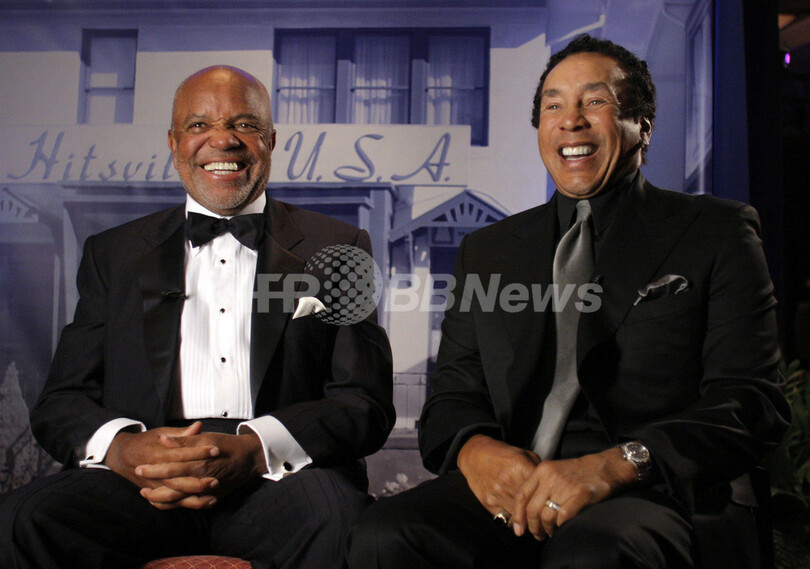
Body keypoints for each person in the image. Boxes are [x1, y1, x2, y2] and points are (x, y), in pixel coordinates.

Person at [346, 35, 789, 569]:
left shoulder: (716, 231)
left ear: (643, 126)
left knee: (592, 554)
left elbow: (750, 401)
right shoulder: (487, 250)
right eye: (553, 106)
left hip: (648, 488)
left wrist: (615, 466)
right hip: (520, 485)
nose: (571, 121)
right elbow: (452, 395)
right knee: (384, 534)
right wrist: (476, 451)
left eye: (594, 101)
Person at [0, 65, 394, 569]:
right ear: (174, 142)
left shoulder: (338, 246)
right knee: (23, 521)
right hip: (140, 482)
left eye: (245, 125)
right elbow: (62, 401)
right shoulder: (113, 253)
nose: (222, 140)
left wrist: (256, 448)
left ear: (271, 141)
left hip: (282, 478)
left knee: (342, 524)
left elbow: (364, 401)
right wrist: (124, 451)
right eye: (199, 125)